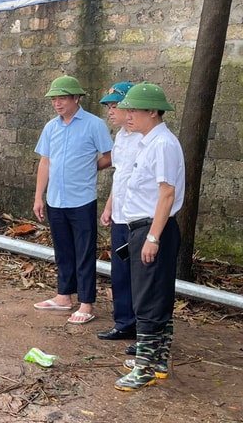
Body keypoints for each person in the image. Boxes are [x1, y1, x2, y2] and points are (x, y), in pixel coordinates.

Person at [113, 82, 185, 391]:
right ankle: (156, 360)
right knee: (156, 295)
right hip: (144, 228)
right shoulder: (148, 141)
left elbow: (166, 194)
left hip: (154, 229)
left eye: (134, 110)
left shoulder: (163, 144)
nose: (127, 115)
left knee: (148, 300)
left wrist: (153, 238)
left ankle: (144, 367)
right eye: (126, 110)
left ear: (153, 112)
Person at [32, 75, 113, 324]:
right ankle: (63, 296)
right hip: (56, 199)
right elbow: (45, 162)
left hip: (82, 199)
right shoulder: (51, 127)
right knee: (63, 250)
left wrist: (91, 168)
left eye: (63, 98)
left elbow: (110, 156)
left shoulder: (94, 124)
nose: (57, 104)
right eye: (54, 99)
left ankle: (86, 303)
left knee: (84, 252)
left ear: (76, 98)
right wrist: (39, 197)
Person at [98, 82, 140, 342]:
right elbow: (120, 175)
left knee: (140, 274)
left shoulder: (145, 138)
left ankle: (143, 327)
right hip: (121, 215)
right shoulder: (121, 136)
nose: (110, 112)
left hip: (139, 218)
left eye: (115, 106)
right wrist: (110, 205)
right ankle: (123, 322)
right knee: (120, 271)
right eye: (109, 107)